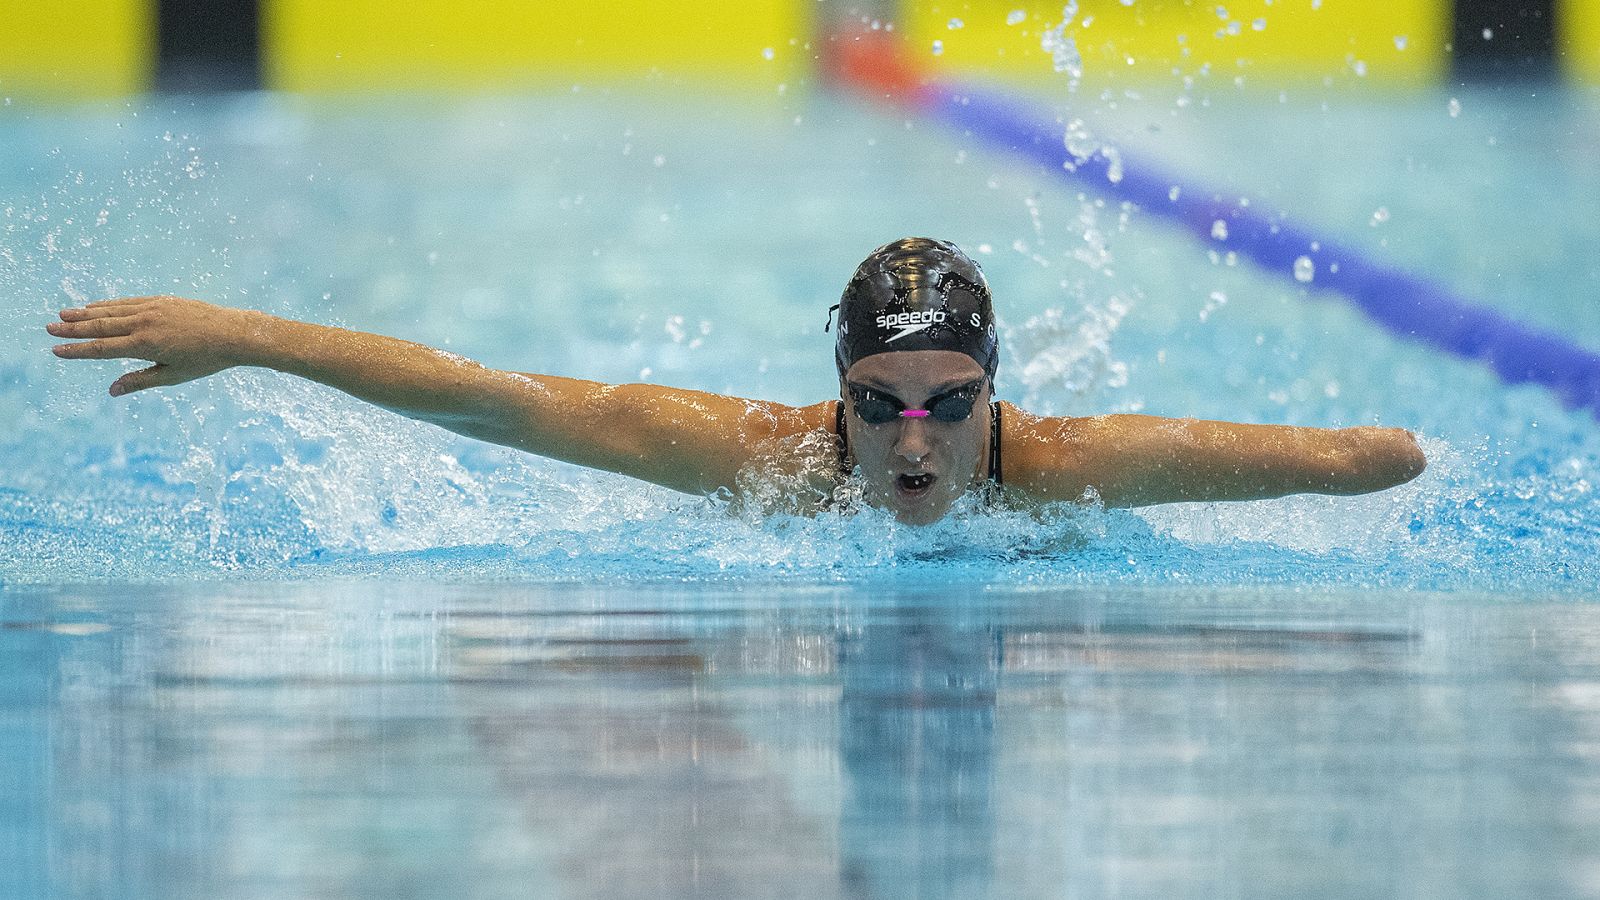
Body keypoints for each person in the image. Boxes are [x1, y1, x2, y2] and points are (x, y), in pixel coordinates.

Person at [45, 237, 1425, 525]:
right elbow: (495, 399)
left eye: (950, 404)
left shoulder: (1068, 466)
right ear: (837, 400)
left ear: (996, 399)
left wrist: (1376, 453)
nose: (915, 442)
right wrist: (248, 331)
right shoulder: (768, 458)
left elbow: (1364, 460)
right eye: (881, 406)